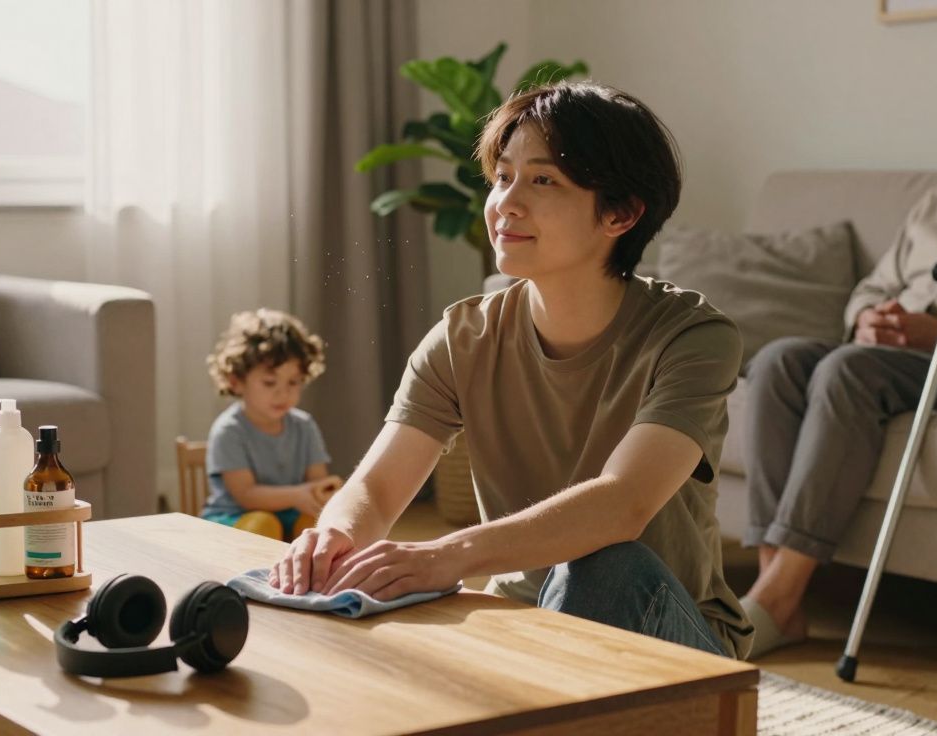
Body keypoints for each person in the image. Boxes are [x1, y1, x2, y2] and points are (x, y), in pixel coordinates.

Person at [271, 80, 754, 659]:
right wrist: (333, 537)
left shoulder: (694, 337)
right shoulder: (463, 337)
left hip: (675, 641)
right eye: (502, 177)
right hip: (525, 627)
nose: (506, 203)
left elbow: (623, 502)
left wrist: (443, 556)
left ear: (621, 214)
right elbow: (376, 487)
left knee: (605, 566)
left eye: (543, 180)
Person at [739, 42, 937, 659]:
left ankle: (775, 601)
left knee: (848, 371)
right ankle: (773, 591)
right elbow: (872, 288)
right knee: (780, 360)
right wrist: (870, 320)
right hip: (898, 354)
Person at [202, 308, 344, 542]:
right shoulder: (229, 431)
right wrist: (298, 495)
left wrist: (325, 492)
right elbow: (246, 495)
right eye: (270, 383)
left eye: (293, 382)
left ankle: (313, 577)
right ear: (236, 381)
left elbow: (317, 482)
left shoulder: (305, 426)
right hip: (234, 518)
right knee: (263, 524)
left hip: (287, 515)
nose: (283, 393)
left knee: (319, 524)